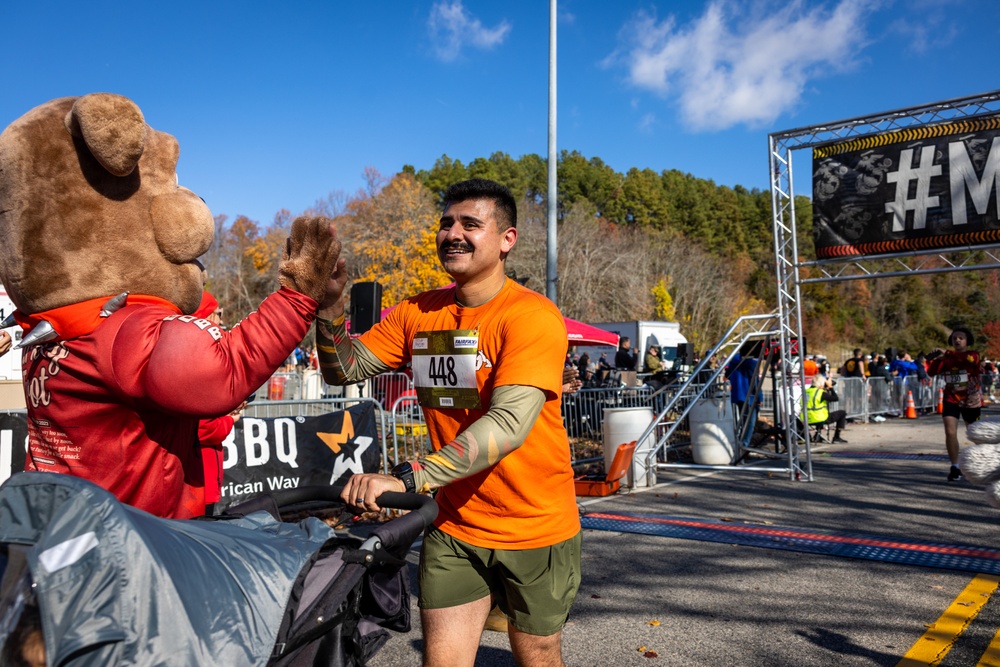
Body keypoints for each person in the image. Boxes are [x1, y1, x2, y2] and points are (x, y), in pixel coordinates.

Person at [314, 179, 580, 667]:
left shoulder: (531, 316)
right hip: (454, 526)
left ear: (507, 239)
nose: (453, 234)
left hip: (535, 527)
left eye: (471, 224)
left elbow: (507, 425)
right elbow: (344, 369)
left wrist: (407, 477)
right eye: (446, 224)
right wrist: (329, 308)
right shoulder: (417, 312)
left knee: (538, 657)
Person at [926, 326, 982, 481]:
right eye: (954, 338)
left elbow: (969, 360)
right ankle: (955, 466)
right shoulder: (947, 358)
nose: (957, 340)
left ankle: (983, 462)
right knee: (950, 432)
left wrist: (948, 353)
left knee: (975, 434)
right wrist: (937, 360)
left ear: (967, 341)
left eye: (960, 338)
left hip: (971, 399)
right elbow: (931, 372)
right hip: (951, 398)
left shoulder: (973, 355)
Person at [725, 352, 759, 449]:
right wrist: (759, 396)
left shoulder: (733, 361)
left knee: (742, 421)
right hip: (750, 396)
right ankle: (744, 444)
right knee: (750, 422)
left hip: (737, 395)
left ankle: (740, 442)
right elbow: (755, 381)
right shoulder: (752, 363)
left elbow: (728, 375)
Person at [805, 374, 848, 443]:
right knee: (842, 413)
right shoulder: (820, 393)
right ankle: (836, 437)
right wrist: (830, 387)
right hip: (818, 418)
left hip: (806, 419)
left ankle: (817, 436)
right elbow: (835, 398)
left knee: (818, 412)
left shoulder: (806, 391)